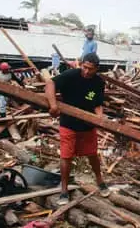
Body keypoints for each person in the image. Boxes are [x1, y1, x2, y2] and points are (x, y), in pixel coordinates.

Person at [45, 52, 109, 204]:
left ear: (96, 69)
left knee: (92, 155)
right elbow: (50, 83)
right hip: (68, 123)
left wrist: (99, 118)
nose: (86, 71)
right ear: (81, 64)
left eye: (90, 69)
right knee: (66, 156)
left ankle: (100, 181)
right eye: (84, 67)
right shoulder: (71, 75)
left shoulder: (98, 83)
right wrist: (53, 105)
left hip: (87, 125)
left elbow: (97, 103)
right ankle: (64, 190)